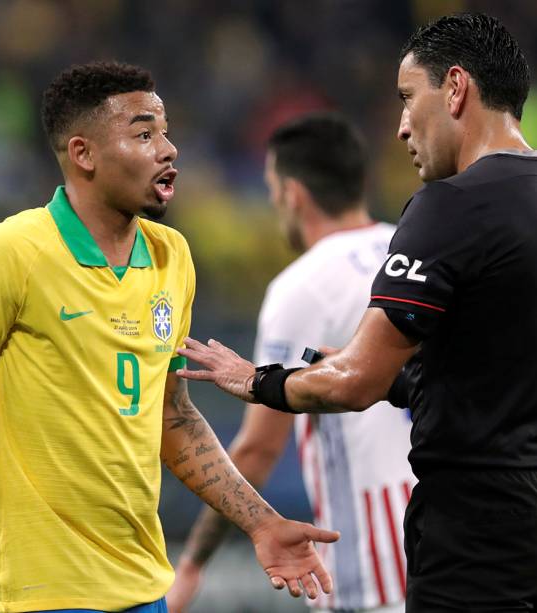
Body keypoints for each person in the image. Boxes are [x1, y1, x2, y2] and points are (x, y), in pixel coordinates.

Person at [176, 13, 537, 613]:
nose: (402, 127)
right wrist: (401, 378)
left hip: (481, 519)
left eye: (409, 99)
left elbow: (354, 381)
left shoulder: (449, 206)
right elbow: (507, 374)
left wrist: (257, 380)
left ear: (457, 89)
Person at [0, 60, 339, 613]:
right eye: (144, 133)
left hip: (144, 587)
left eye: (167, 131)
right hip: (39, 594)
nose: (169, 149)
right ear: (83, 154)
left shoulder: (171, 256)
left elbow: (172, 418)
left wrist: (262, 524)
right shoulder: (9, 252)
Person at [168, 113, 414, 613]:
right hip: (452, 541)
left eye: (272, 188)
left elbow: (259, 448)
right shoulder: (415, 252)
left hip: (370, 560)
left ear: (294, 194)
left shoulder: (301, 287)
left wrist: (192, 562)